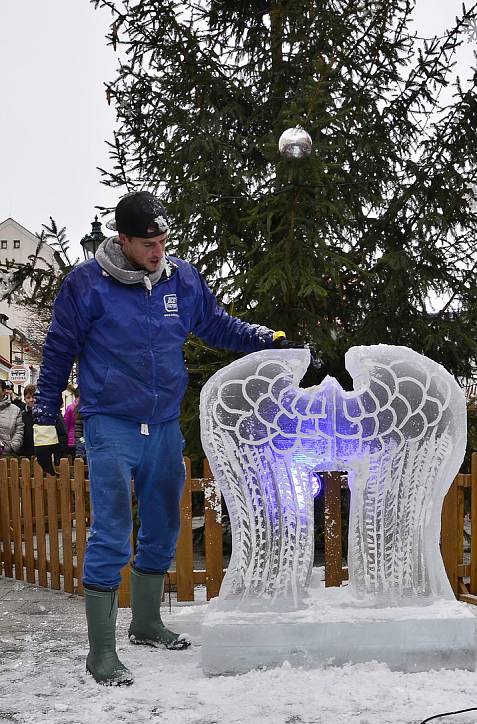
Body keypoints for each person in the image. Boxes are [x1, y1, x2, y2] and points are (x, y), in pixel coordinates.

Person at [33, 190, 312, 686]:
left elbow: (214, 324)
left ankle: (145, 623)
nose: (158, 251)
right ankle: (101, 654)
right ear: (122, 239)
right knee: (114, 528)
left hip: (161, 425)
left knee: (163, 525)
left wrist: (262, 337)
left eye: (163, 241)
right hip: (110, 422)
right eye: (148, 243)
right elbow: (58, 352)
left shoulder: (180, 279)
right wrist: (43, 419)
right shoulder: (87, 285)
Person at [19, 384, 69, 464]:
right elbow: (22, 434)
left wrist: (58, 453)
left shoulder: (50, 413)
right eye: (28, 397)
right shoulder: (23, 416)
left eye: (34, 397)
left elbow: (63, 434)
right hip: (29, 457)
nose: (31, 400)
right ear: (24, 399)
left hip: (50, 456)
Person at [0, 379, 24, 457]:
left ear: (4, 391)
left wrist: (12, 447)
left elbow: (19, 430)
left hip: (7, 455)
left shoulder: (15, 410)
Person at [63, 387, 80, 462]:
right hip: (71, 440)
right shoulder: (70, 408)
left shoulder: (71, 407)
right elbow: (66, 424)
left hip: (75, 439)